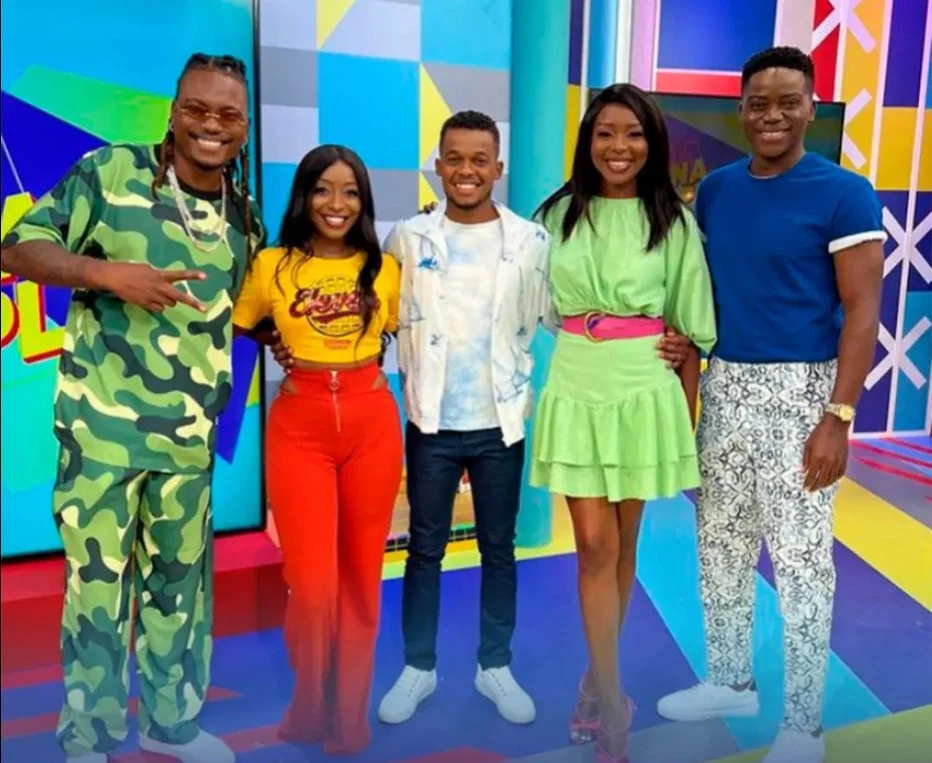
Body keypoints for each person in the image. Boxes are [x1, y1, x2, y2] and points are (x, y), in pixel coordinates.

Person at [268, 113, 692, 726]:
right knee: (424, 550)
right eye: (455, 159)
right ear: (437, 166)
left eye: (479, 160)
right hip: (431, 421)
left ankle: (496, 665)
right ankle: (418, 667)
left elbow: (565, 315)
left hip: (501, 421)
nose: (466, 171)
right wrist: (289, 347)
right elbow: (371, 313)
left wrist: (656, 336)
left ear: (498, 167)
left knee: (499, 549)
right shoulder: (408, 239)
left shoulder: (532, 240)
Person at [0, 53, 264, 763]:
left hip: (187, 446)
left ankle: (171, 726)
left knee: (180, 593)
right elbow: (17, 248)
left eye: (228, 114)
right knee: (97, 594)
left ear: (244, 126)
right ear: (173, 112)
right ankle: (88, 737)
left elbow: (239, 315)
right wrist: (104, 273)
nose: (211, 125)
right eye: (197, 109)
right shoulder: (111, 172)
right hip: (102, 437)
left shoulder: (243, 214)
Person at [655, 47, 884, 763]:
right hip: (726, 388)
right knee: (719, 546)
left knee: (802, 562)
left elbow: (862, 313)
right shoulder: (717, 192)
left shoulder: (845, 193)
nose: (772, 115)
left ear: (810, 108)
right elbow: (702, 295)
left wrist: (837, 418)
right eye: (759, 103)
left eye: (788, 101)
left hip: (804, 395)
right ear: (742, 110)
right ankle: (730, 680)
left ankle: (803, 725)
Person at [530, 84, 718, 763]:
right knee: (592, 545)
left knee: (623, 544)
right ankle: (614, 706)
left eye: (633, 133)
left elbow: (692, 327)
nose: (619, 146)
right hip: (578, 381)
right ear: (588, 141)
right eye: (605, 132)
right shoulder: (554, 215)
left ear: (652, 143)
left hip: (645, 387)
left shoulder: (673, 221)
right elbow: (535, 304)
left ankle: (594, 682)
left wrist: (684, 409)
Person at [232, 144, 403, 756]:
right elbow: (241, 326)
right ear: (305, 197)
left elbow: (396, 330)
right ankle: (309, 705)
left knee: (360, 580)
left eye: (351, 192)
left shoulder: (385, 269)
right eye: (324, 190)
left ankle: (348, 720)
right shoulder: (272, 265)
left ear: (364, 202)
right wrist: (273, 338)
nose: (338, 204)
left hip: (371, 422)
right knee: (311, 586)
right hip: (299, 426)